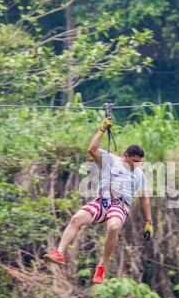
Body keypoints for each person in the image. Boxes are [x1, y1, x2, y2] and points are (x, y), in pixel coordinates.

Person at [44, 116, 154, 284]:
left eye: (139, 162)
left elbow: (144, 198)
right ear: (125, 156)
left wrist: (149, 222)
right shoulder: (111, 160)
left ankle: (102, 266)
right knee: (76, 219)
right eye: (134, 161)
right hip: (101, 201)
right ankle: (59, 253)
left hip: (119, 206)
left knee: (113, 226)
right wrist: (101, 129)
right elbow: (92, 149)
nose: (137, 165)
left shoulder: (139, 174)